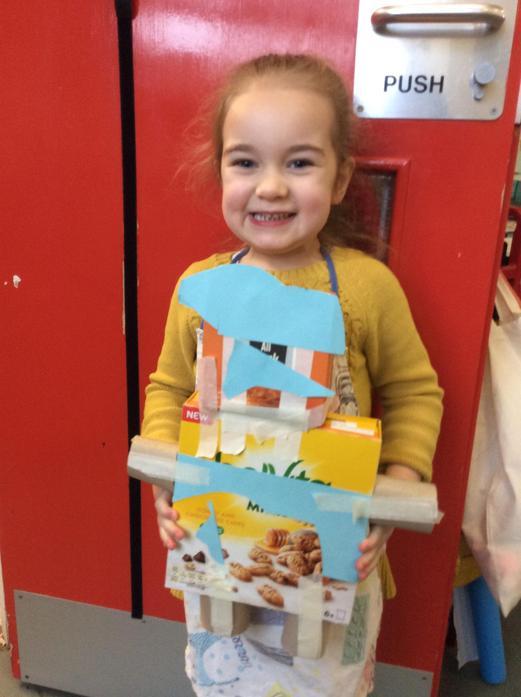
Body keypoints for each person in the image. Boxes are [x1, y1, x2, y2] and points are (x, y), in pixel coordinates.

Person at [141, 53, 443, 697]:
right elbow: (168, 388)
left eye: (299, 163)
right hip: (220, 557)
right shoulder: (199, 287)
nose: (271, 187)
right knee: (225, 683)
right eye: (245, 162)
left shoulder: (365, 289)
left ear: (340, 178)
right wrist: (167, 480)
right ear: (220, 170)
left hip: (333, 557)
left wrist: (392, 491)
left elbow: (414, 393)